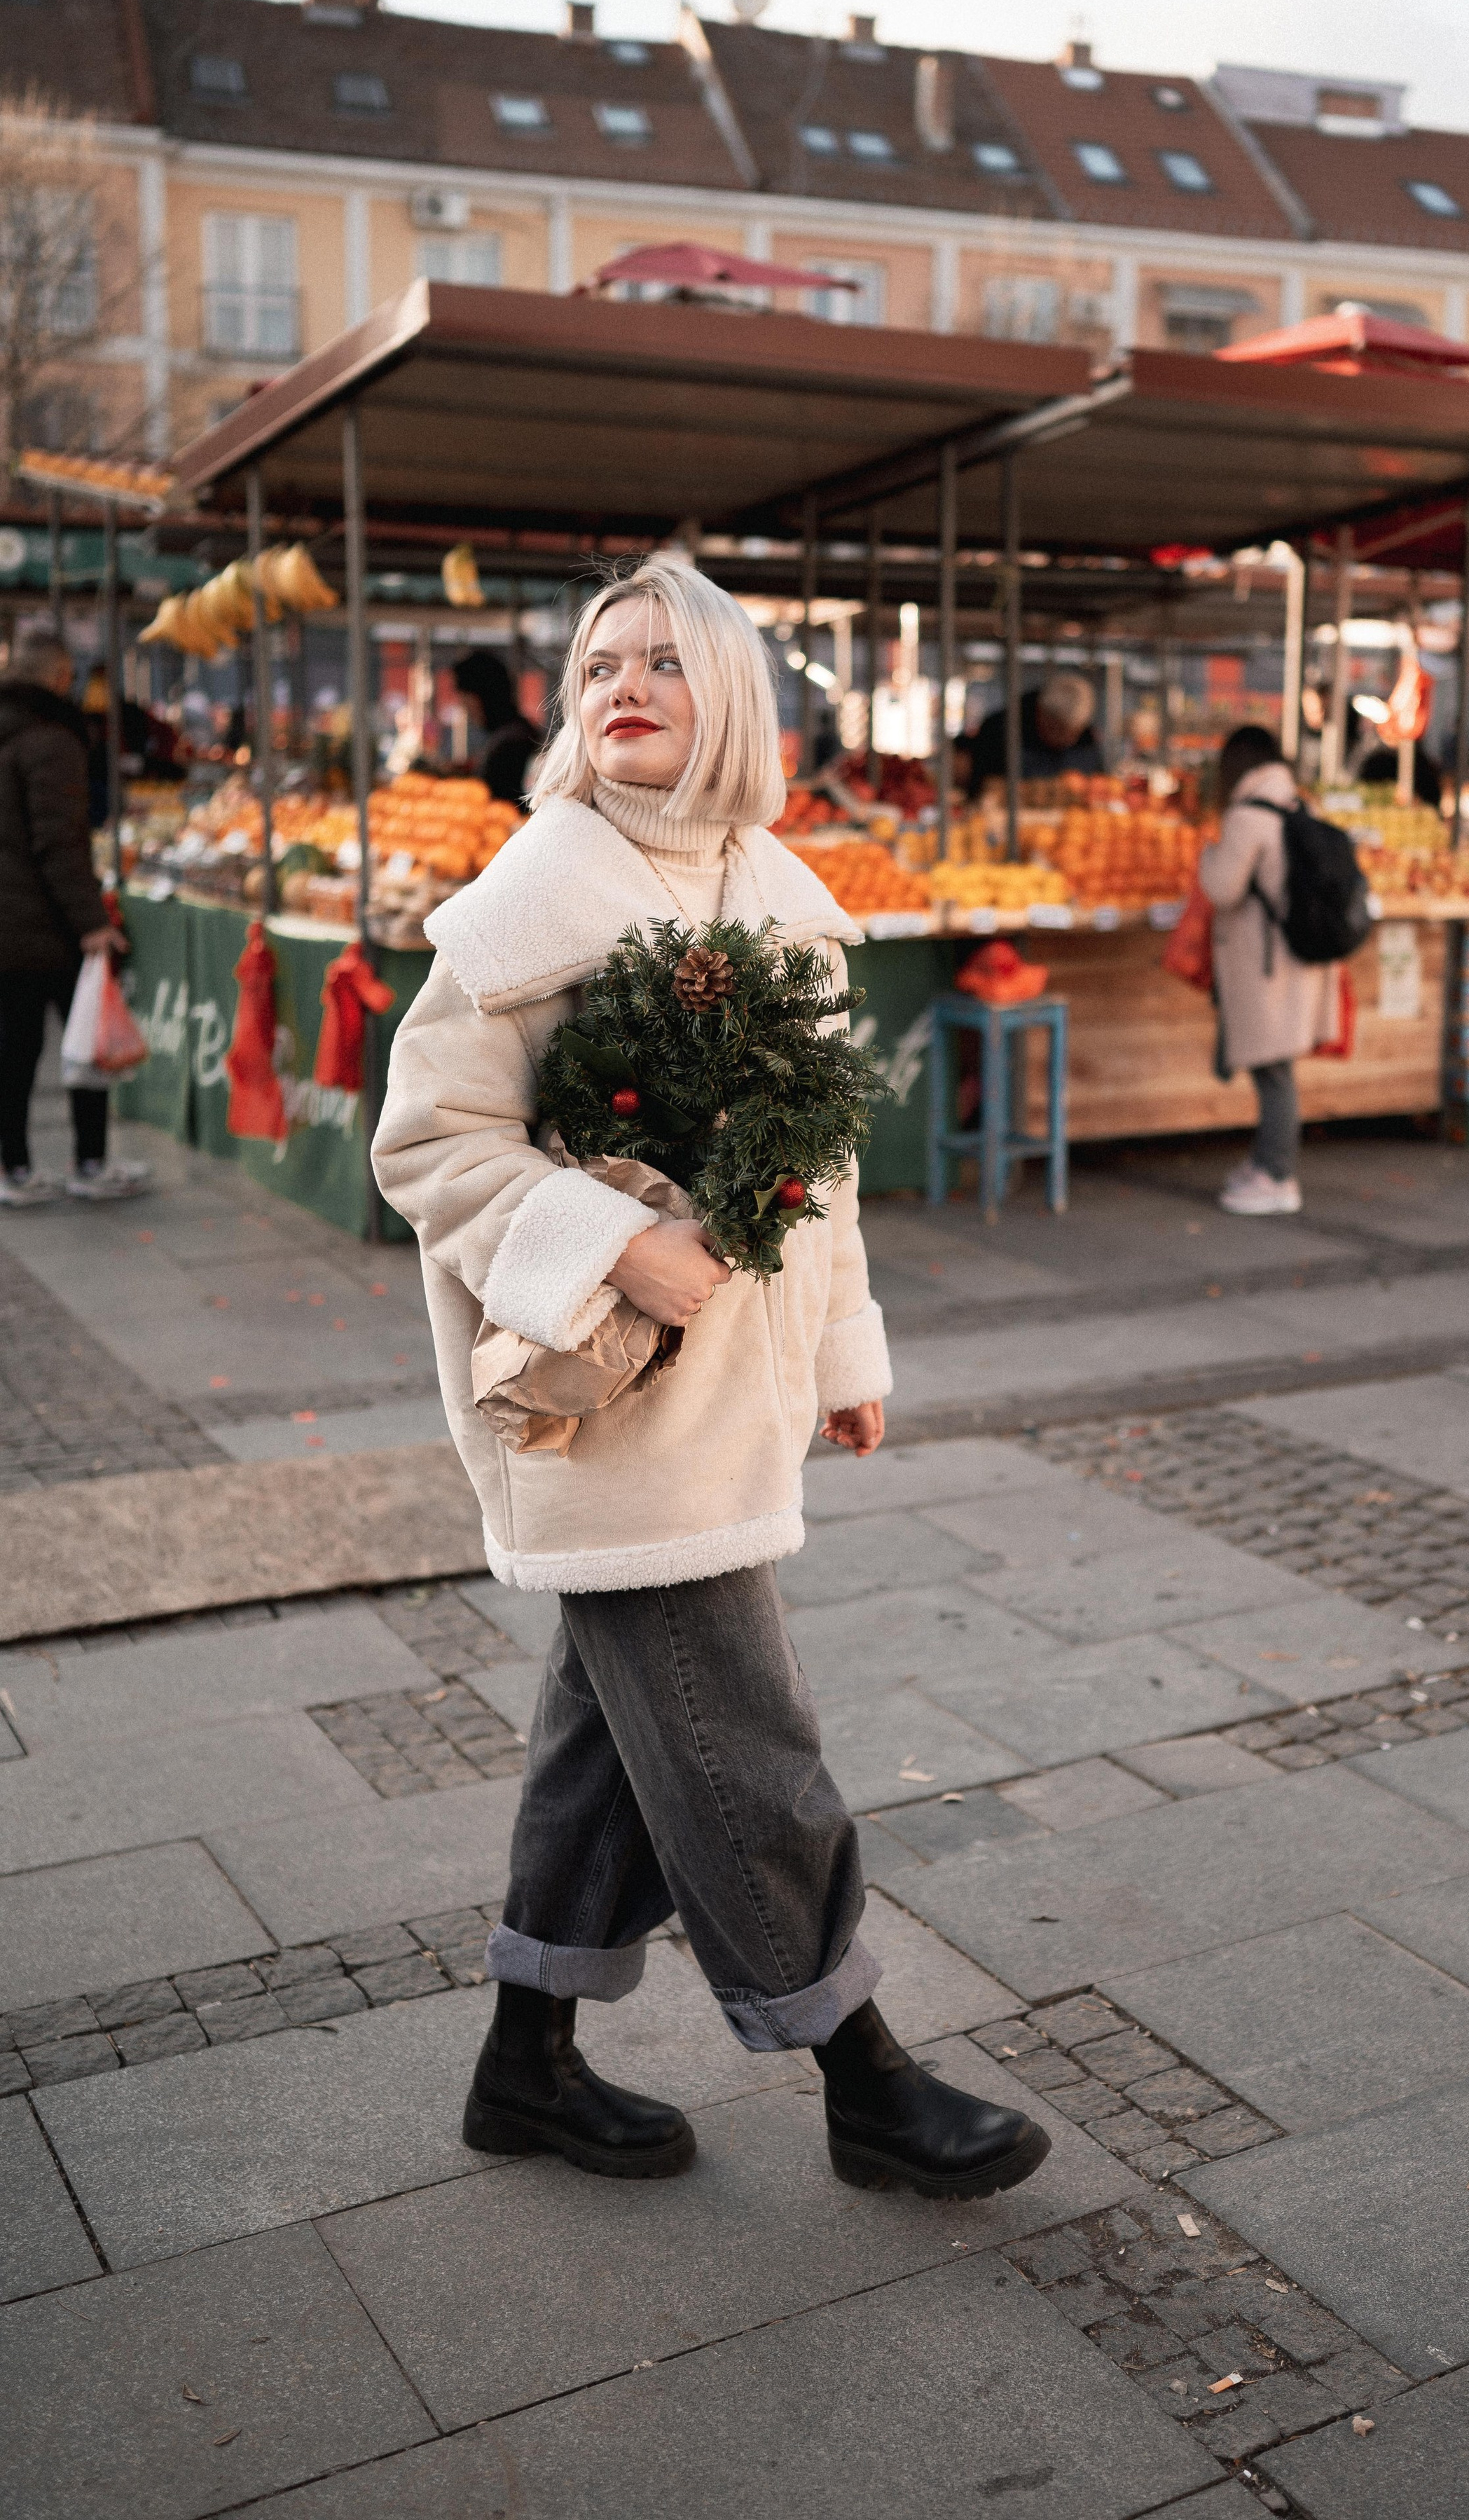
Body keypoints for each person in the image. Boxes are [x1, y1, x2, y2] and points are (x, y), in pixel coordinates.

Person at [373, 559, 1049, 2201]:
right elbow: (426, 1140)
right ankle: (861, 2072)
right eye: (595, 661)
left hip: (730, 1401)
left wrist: (838, 1352)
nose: (618, 685)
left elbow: (825, 1173)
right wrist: (611, 1238)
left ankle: (520, 2065)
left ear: (729, 693)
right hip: (603, 1407)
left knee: (611, 1735)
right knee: (740, 1740)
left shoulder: (783, 898)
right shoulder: (529, 902)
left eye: (660, 663)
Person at [0, 635, 151, 1208]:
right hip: (46, 927)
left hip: (10, 924)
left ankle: (13, 1166)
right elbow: (60, 844)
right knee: (88, 1043)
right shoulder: (51, 740)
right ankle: (89, 1161)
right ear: (61, 676)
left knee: (16, 1048)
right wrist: (92, 922)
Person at [1199, 724, 1340, 1218]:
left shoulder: (1246, 817)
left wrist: (1205, 856)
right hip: (1296, 958)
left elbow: (1221, 888)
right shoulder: (1299, 805)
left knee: (1274, 1071)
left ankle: (1277, 1175)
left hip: (1265, 964)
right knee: (1276, 1065)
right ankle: (1266, 1162)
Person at [966, 669, 1102, 796]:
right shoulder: (999, 729)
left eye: (1074, 733)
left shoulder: (1086, 737)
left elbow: (1099, 779)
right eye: (1057, 730)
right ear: (1040, 713)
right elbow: (983, 784)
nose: (1068, 740)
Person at [455, 648, 542, 808]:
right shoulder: (516, 732)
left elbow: (496, 800)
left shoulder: (511, 740)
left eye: (466, 701)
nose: (466, 711)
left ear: (481, 697)